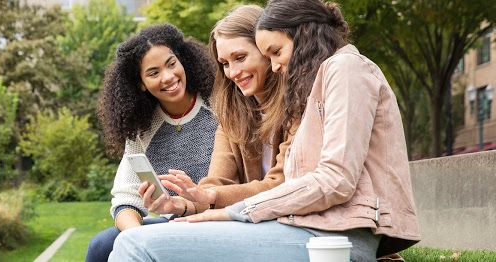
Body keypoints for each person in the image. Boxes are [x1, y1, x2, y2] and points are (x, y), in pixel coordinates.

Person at [108, 0, 421, 261]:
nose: (273, 66)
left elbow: (329, 181)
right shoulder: (241, 107)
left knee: (133, 244)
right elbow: (217, 181)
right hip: (301, 225)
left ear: (299, 37)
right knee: (127, 241)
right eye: (225, 63)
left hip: (331, 233)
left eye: (272, 52)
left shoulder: (338, 72)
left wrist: (231, 212)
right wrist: (188, 204)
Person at [84, 23, 218, 262]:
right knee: (102, 245)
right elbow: (126, 201)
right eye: (153, 73)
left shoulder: (218, 106)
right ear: (141, 84)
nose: (168, 77)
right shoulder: (142, 129)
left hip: (218, 219)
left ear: (182, 60)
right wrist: (138, 239)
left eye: (171, 64)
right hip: (171, 224)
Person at [147, 4, 291, 220]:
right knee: (105, 243)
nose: (232, 73)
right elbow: (216, 183)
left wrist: (210, 195)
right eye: (224, 63)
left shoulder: (297, 106)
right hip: (243, 221)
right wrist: (181, 205)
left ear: (267, 51)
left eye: (240, 58)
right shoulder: (233, 116)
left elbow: (282, 184)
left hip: (282, 221)